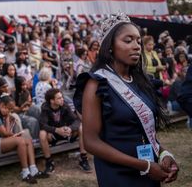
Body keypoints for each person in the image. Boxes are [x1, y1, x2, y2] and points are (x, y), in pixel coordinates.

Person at [74, 13, 179, 186]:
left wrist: (164, 153)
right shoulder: (96, 83)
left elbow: (144, 130)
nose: (137, 46)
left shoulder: (141, 81)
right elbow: (91, 142)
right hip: (118, 175)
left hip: (150, 170)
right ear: (110, 46)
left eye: (138, 41)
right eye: (128, 40)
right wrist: (143, 165)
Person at [0, 95, 47, 184]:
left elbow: (7, 133)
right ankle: (25, 172)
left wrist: (7, 117)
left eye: (11, 110)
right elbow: (5, 134)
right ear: (2, 106)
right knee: (20, 141)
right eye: (9, 109)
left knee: (27, 140)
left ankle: (33, 169)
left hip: (0, 140)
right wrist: (10, 122)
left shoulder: (2, 113)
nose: (10, 111)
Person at [39, 88, 91, 173]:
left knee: (81, 127)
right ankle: (49, 162)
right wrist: (56, 130)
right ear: (52, 101)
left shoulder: (64, 105)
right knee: (42, 133)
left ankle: (83, 159)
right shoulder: (45, 108)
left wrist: (70, 128)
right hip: (53, 135)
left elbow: (76, 120)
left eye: (62, 97)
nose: (62, 99)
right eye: (59, 98)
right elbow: (42, 125)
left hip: (66, 132)